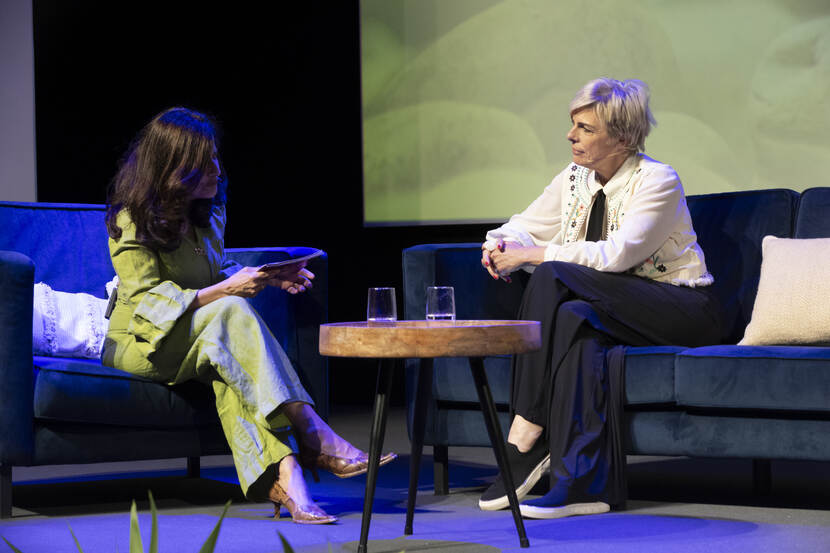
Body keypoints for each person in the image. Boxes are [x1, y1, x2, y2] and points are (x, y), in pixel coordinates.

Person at [102, 107, 395, 525]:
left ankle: (292, 482)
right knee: (230, 312)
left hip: (199, 334)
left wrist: (266, 278)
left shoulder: (209, 212)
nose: (218, 170)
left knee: (231, 369)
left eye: (217, 158)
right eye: (206, 163)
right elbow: (148, 300)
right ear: (173, 167)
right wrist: (226, 290)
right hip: (141, 342)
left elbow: (208, 276)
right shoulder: (131, 218)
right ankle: (313, 431)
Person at [478, 78, 724, 519]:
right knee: (574, 318)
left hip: (680, 307)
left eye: (586, 128)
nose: (571, 136)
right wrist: (499, 243)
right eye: (573, 125)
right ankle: (582, 486)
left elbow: (616, 255)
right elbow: (525, 224)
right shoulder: (575, 178)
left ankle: (524, 434)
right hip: (612, 305)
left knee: (554, 276)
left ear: (623, 138)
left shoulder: (657, 180)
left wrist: (532, 254)